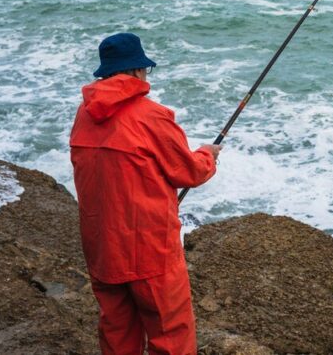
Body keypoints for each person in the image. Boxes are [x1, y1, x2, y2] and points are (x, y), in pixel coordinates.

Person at [69, 32, 221, 355]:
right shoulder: (151, 116)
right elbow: (190, 172)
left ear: (106, 73)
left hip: (102, 252)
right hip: (151, 253)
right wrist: (208, 154)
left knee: (117, 338)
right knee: (172, 338)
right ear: (137, 71)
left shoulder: (83, 116)